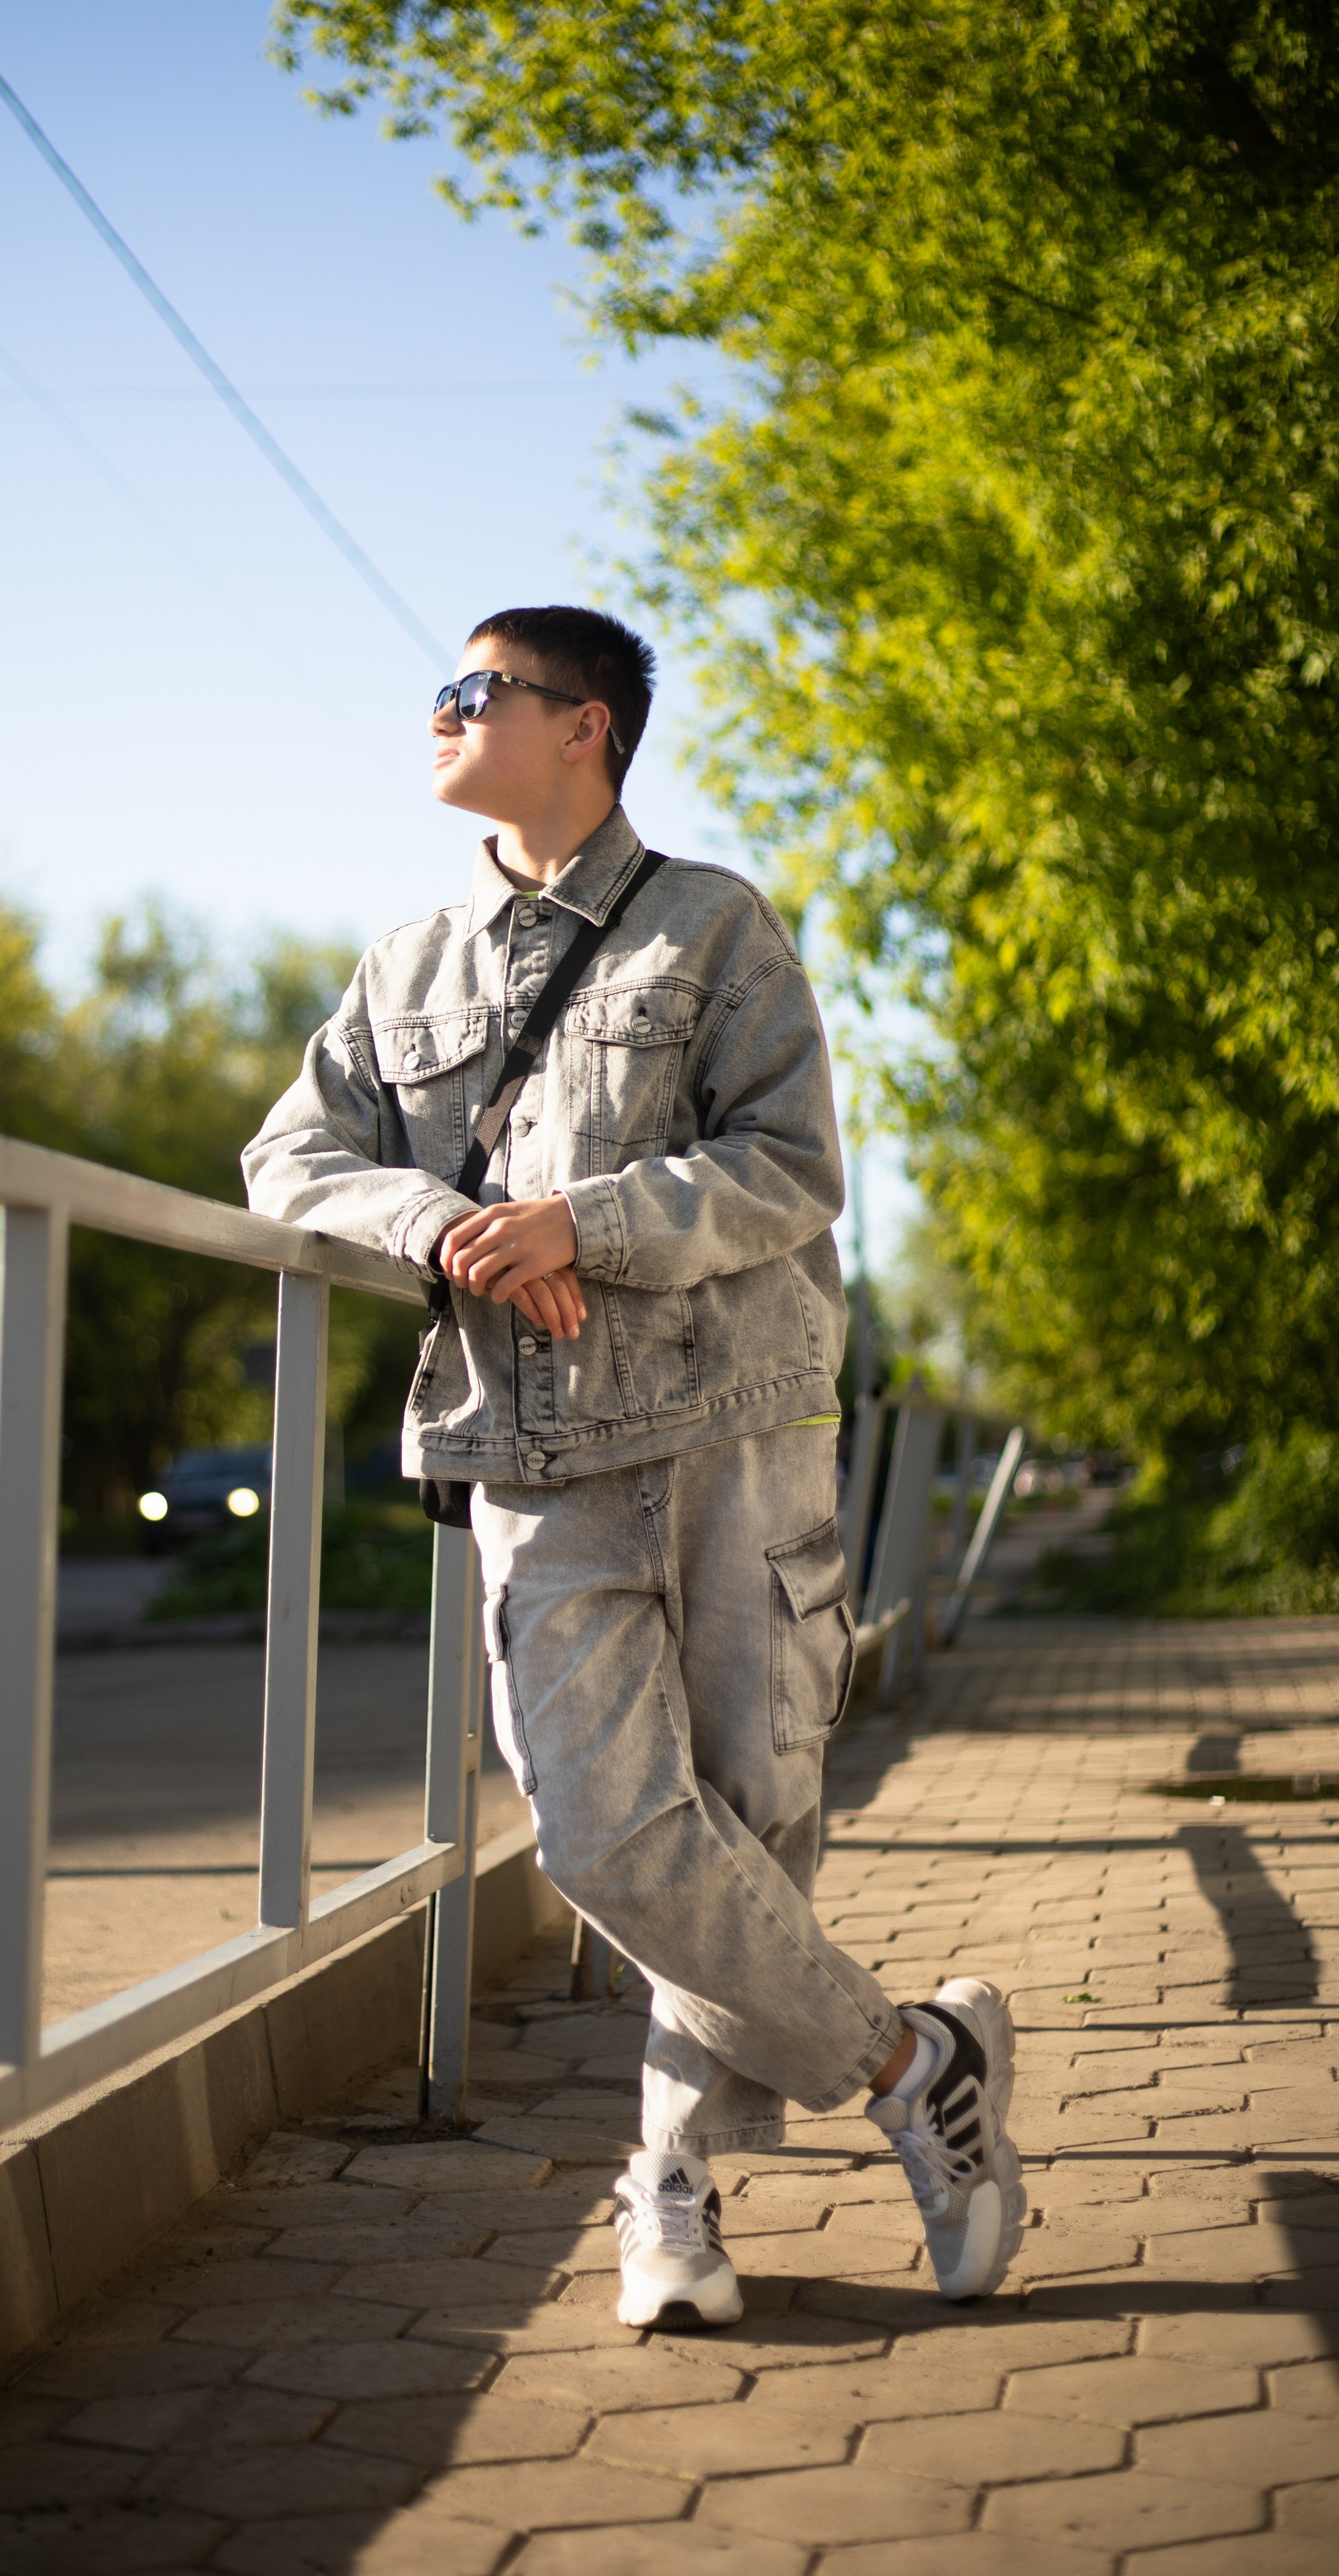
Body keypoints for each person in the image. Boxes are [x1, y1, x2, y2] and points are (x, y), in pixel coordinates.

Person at [243, 603, 1024, 2327]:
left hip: (733, 1431)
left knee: (743, 1816)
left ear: (581, 726)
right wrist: (452, 1227)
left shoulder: (710, 925)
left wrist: (580, 1224)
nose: (438, 714)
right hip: (525, 1453)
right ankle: (917, 2066)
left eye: (473, 691)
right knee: (602, 1836)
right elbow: (286, 1159)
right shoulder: (406, 965)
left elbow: (788, 1167)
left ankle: (667, 2190)